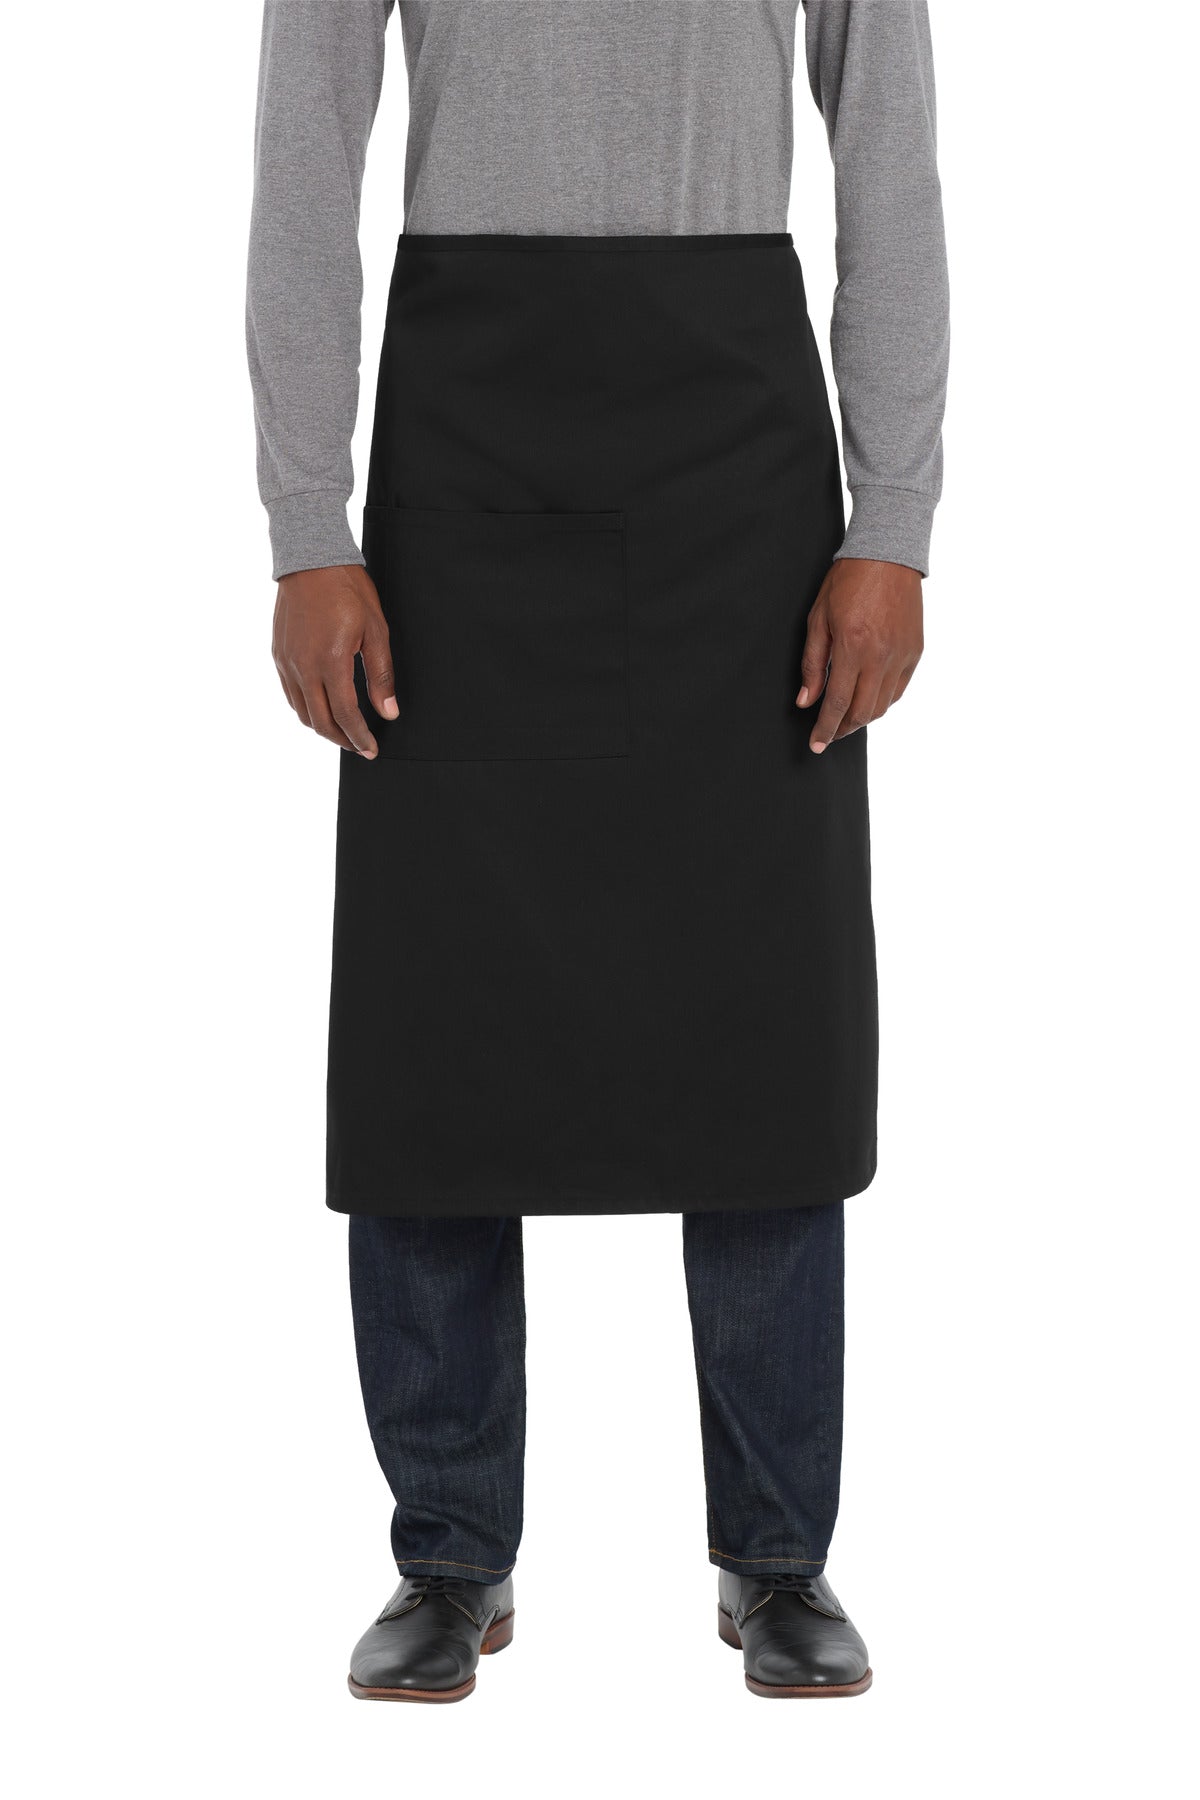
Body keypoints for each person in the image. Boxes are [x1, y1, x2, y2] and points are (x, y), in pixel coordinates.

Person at [247, 0, 948, 1705]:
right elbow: (303, 153)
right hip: (464, 442)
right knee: (437, 1015)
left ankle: (778, 1553)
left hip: (741, 464)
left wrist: (896, 520)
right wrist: (306, 525)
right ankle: (446, 1552)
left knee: (761, 1013)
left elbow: (888, 152)